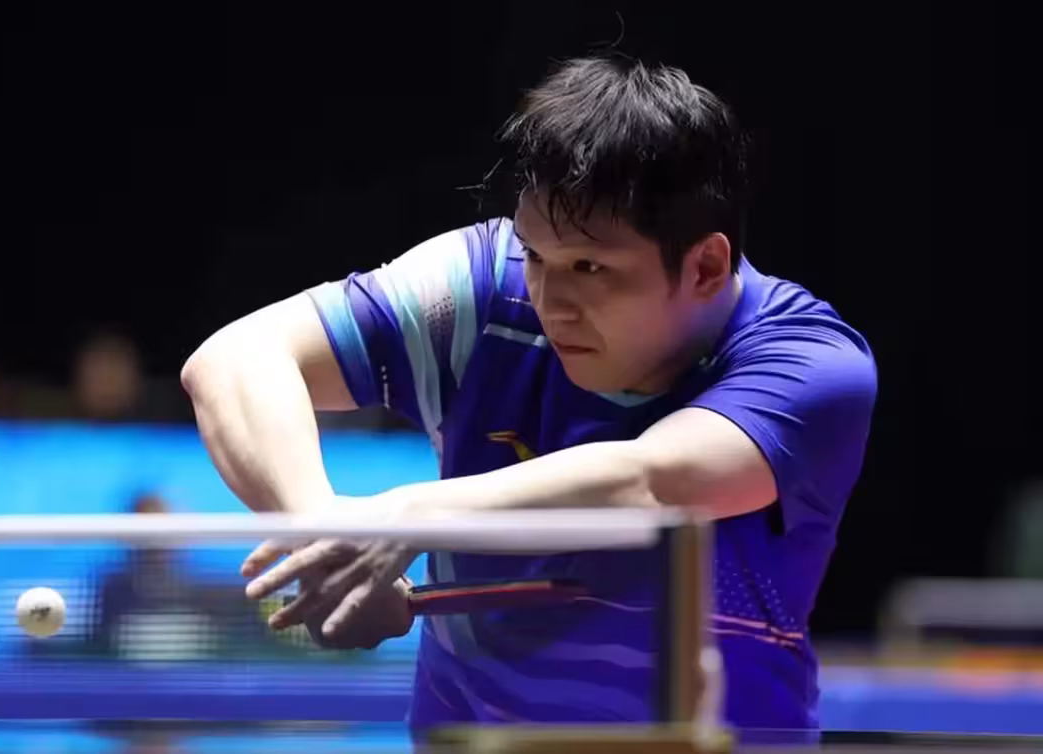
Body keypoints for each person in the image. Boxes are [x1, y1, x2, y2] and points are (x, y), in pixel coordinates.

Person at [181, 55, 878, 733]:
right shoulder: (486, 285)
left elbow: (655, 481)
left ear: (705, 266)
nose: (551, 302)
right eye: (537, 256)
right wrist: (330, 543)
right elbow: (232, 360)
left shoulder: (810, 363)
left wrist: (409, 515)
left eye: (591, 267)